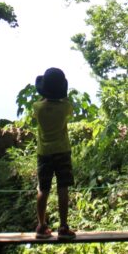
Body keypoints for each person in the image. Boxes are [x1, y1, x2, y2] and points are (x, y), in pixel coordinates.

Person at [33, 67, 76, 240]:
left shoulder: (38, 107)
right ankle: (64, 227)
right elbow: (65, 103)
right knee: (62, 188)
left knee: (43, 189)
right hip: (62, 151)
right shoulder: (65, 107)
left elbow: (42, 100)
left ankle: (41, 226)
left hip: (44, 154)